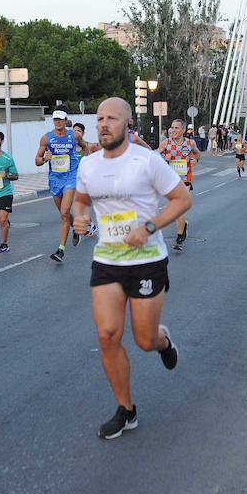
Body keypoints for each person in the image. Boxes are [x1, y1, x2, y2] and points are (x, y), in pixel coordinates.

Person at [72, 98, 192, 440]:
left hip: (147, 262)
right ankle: (126, 410)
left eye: (111, 118)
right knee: (107, 335)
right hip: (107, 261)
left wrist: (150, 228)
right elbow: (81, 199)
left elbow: (182, 200)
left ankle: (163, 341)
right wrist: (80, 217)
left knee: (143, 340)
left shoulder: (148, 161)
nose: (104, 124)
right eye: (99, 119)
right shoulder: (89, 165)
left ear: (127, 124)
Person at [35, 109, 90, 262]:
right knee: (63, 214)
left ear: (66, 120)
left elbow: (85, 147)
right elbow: (37, 160)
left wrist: (84, 163)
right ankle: (76, 229)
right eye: (55, 120)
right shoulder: (46, 138)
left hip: (71, 177)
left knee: (65, 212)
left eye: (60, 120)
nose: (58, 122)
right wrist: (45, 158)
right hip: (55, 179)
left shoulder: (74, 135)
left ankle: (61, 250)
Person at [158, 118, 199, 251]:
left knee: (178, 208)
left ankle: (180, 238)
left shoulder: (190, 143)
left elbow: (197, 154)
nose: (173, 130)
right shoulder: (166, 143)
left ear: (182, 130)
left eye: (176, 128)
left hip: (184, 180)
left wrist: (195, 160)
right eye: (172, 128)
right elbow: (153, 157)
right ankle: (183, 227)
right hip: (170, 181)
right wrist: (164, 159)